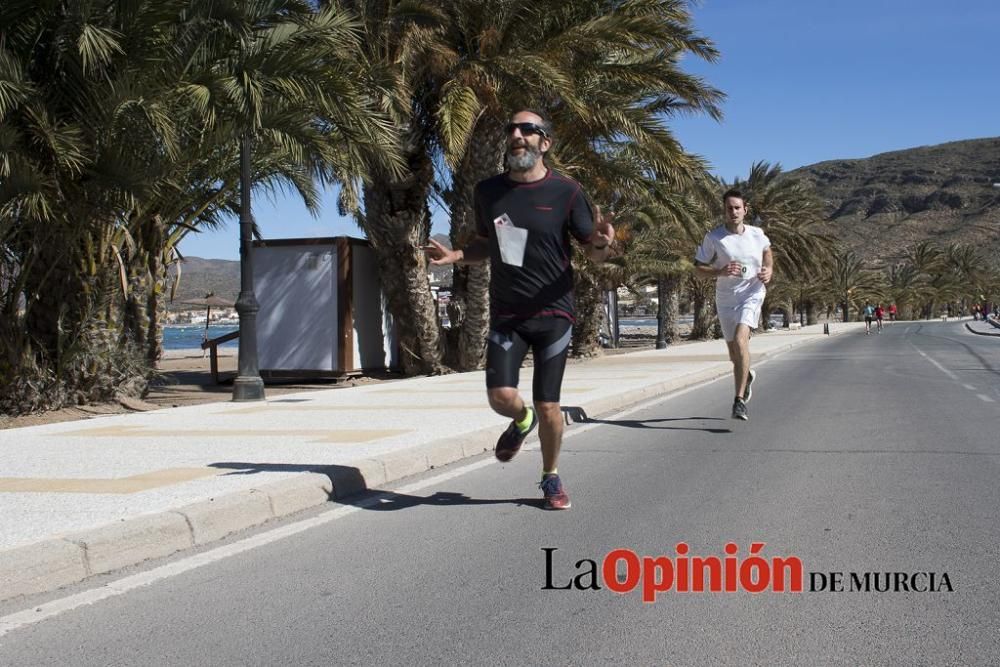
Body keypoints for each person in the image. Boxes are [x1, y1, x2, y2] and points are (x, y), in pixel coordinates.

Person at [425, 109, 613, 510]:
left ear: (544, 142)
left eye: (528, 129)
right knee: (500, 396)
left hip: (554, 313)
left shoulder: (567, 192)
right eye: (511, 129)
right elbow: (484, 244)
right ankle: (520, 420)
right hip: (508, 313)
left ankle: (550, 477)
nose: (517, 135)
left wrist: (600, 242)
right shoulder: (488, 192)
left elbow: (593, 253)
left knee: (550, 403)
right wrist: (456, 254)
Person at [693, 189, 772, 421]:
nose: (734, 211)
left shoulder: (757, 234)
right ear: (724, 211)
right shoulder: (714, 238)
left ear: (745, 210)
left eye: (737, 207)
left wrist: (769, 270)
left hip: (752, 293)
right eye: (729, 208)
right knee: (733, 354)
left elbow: (768, 252)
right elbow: (697, 268)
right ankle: (746, 376)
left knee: (740, 340)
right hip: (726, 299)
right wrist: (719, 270)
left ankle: (738, 401)